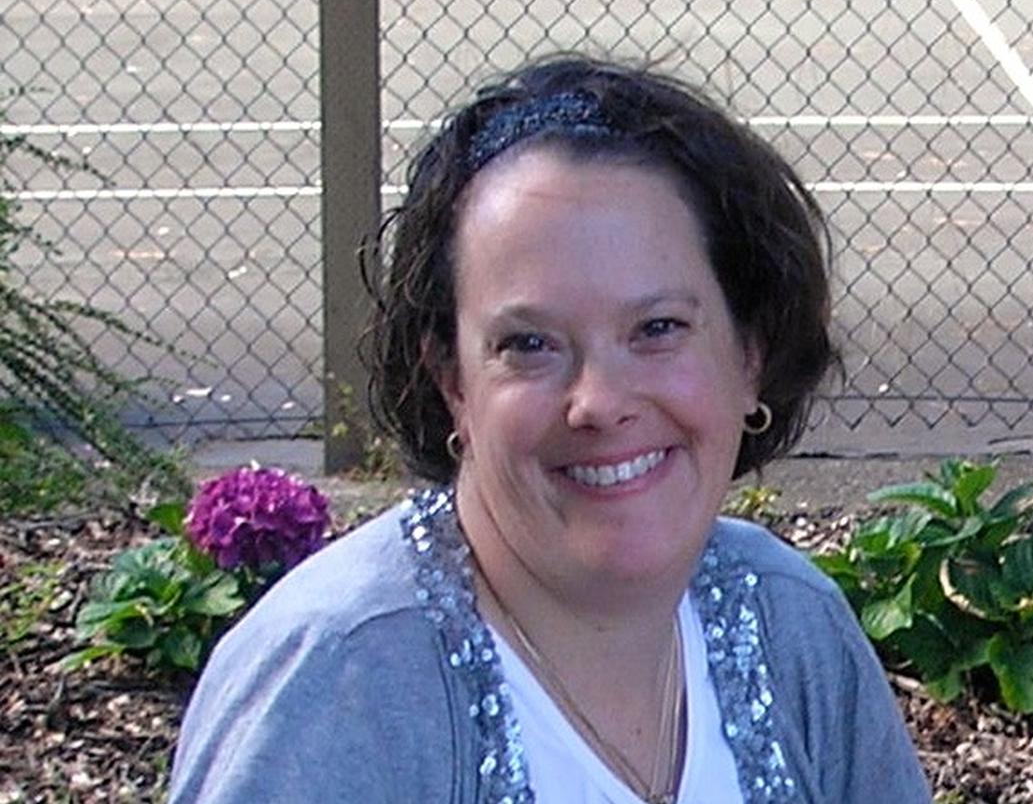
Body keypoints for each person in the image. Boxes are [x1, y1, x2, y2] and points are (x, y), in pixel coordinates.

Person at [170, 54, 931, 803]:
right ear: (451, 381)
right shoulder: (338, 687)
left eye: (657, 328)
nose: (597, 401)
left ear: (750, 354)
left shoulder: (788, 626)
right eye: (530, 344)